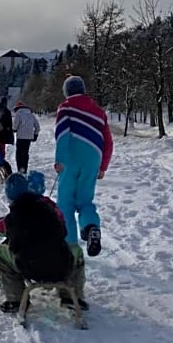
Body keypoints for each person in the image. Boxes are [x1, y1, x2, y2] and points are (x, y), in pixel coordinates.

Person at [0, 171, 87, 312]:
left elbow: (7, 231)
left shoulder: (12, 218)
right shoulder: (49, 210)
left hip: (29, 268)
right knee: (77, 251)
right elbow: (63, 232)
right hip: (61, 265)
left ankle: (15, 299)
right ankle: (72, 297)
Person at [53, 75, 113, 257]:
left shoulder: (66, 108)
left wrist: (59, 160)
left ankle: (70, 247)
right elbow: (108, 141)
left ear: (67, 92)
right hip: (92, 159)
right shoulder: (99, 112)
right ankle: (91, 227)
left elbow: (62, 134)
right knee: (85, 201)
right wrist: (102, 166)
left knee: (65, 203)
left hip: (71, 159)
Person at [11, 100, 40, 173]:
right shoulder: (31, 115)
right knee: (25, 153)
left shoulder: (18, 114)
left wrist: (14, 130)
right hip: (29, 137)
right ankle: (24, 169)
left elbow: (15, 127)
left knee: (19, 154)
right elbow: (37, 126)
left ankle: (20, 170)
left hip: (21, 137)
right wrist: (35, 134)